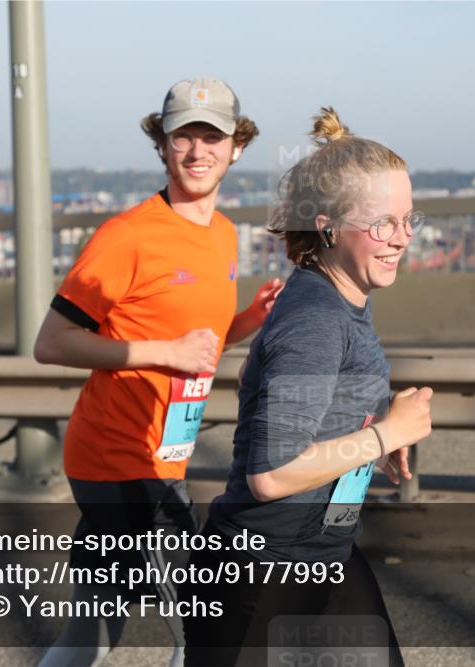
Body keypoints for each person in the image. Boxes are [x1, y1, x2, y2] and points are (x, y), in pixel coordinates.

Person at [34, 77, 283, 667]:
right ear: (162, 145)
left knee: (94, 629)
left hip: (158, 457)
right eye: (183, 137)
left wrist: (250, 320)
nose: (198, 152)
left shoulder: (222, 235)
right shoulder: (127, 236)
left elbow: (197, 342)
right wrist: (163, 352)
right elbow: (52, 343)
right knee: (203, 626)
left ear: (237, 147)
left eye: (213, 137)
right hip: (122, 460)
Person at [181, 107, 433, 666]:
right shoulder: (317, 317)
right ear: (327, 227)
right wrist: (383, 435)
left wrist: (362, 421)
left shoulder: (335, 299)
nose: (402, 239)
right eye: (382, 224)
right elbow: (271, 474)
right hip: (261, 572)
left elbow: (257, 377)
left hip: (322, 555)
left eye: (408, 219)